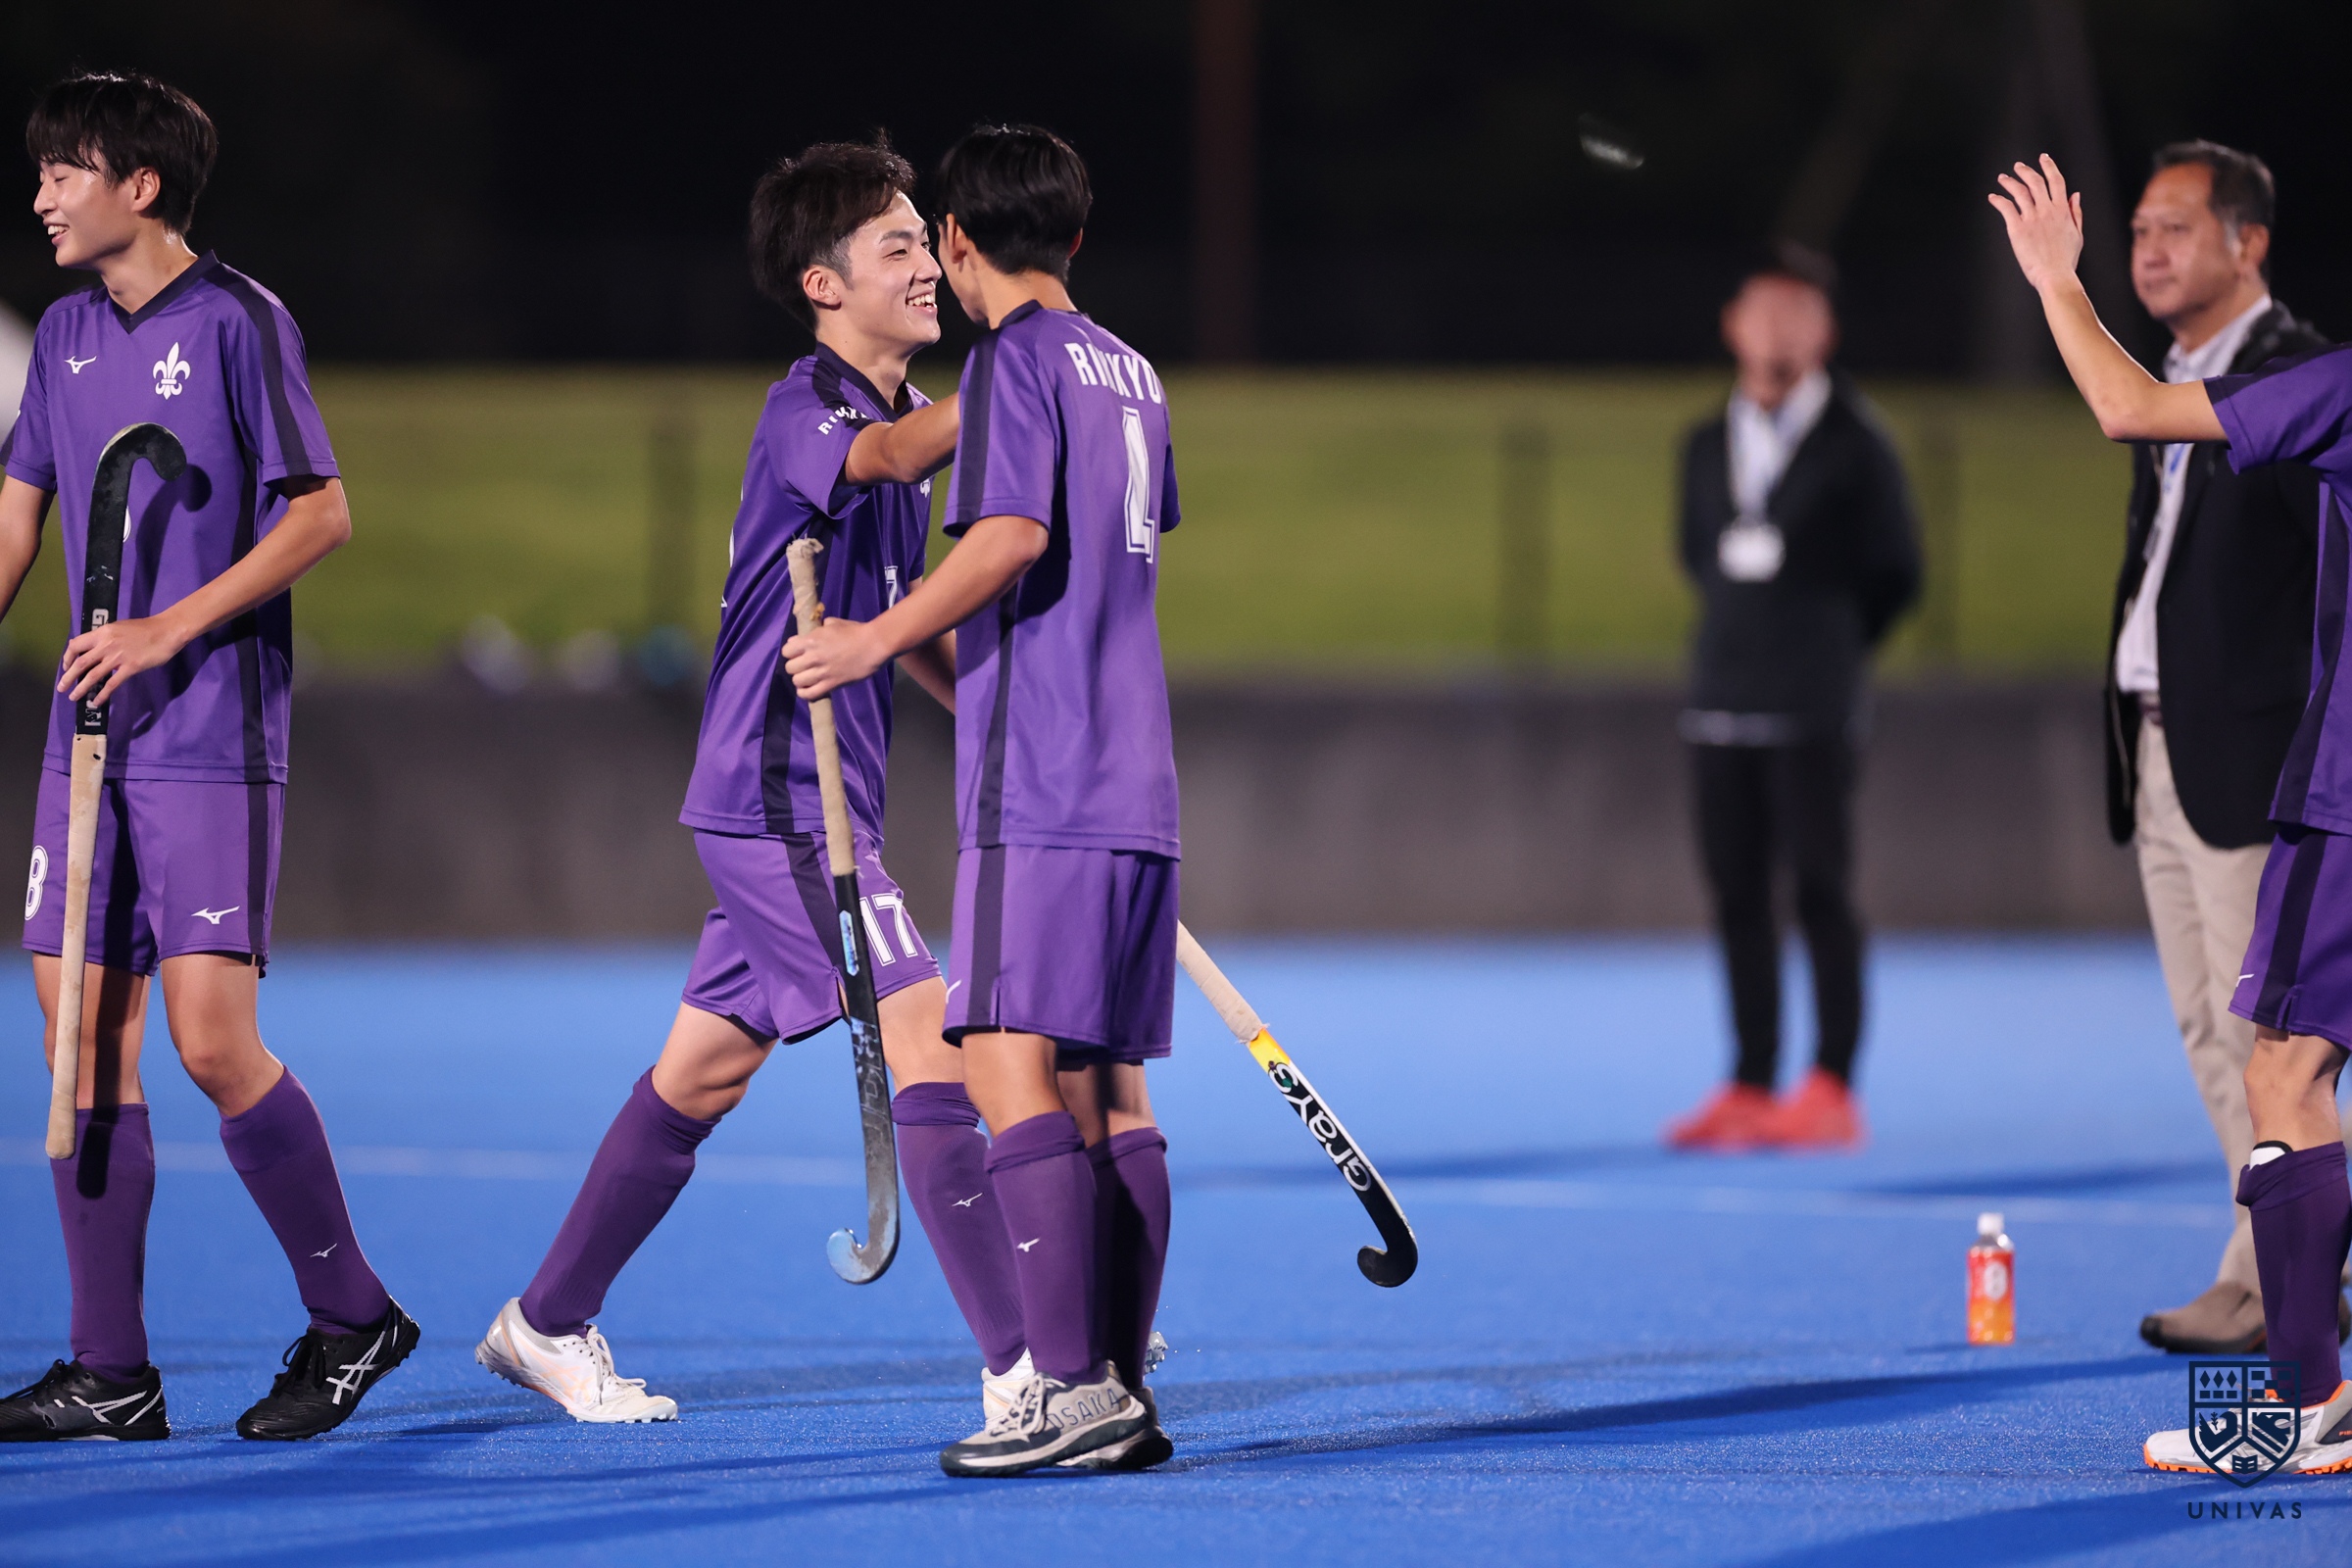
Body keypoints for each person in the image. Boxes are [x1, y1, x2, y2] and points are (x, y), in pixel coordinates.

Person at [471, 139, 1033, 1427]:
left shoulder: (895, 416)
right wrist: (1030, 365)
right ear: (823, 283)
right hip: (778, 800)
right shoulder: (811, 414)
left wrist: (999, 724)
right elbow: (893, 463)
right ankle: (1025, 1364)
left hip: (823, 803)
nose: (927, 266)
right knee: (929, 1035)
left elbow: (897, 614)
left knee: (700, 1079)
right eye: (898, 246)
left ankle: (543, 1322)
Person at [0, 72, 413, 1442]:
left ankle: (354, 1315)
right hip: (84, 740)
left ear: (141, 185)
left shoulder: (239, 320)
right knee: (78, 1041)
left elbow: (323, 513)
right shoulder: (63, 334)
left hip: (208, 735)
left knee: (212, 1043)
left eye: (65, 169)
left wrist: (166, 627)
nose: (42, 194)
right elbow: (16, 521)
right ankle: (109, 1372)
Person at [787, 123, 1175, 1476]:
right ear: (1076, 234)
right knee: (1108, 1092)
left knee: (1006, 1063)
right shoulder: (1131, 369)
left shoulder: (1011, 360)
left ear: (958, 244)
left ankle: (1066, 1387)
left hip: (1040, 778)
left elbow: (1011, 538)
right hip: (1136, 771)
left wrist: (871, 640)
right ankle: (1120, 1388)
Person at [1990, 153, 2352, 1475]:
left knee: (2283, 1071)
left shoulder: (2330, 380)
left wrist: (2054, 279)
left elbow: (2128, 406)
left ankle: (2310, 1398)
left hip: (2337, 789)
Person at [2102, 141, 2352, 1357]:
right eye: (2138, 230)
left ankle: (2289, 1305)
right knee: (2226, 1041)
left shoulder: (2301, 371)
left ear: (2249, 243)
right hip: (2162, 739)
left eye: (2176, 228)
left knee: (2278, 1056)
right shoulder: (2179, 365)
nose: (2148, 249)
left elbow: (2318, 574)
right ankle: (2272, 1282)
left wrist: (2049, 279)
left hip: (2272, 764)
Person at [1662, 260, 1922, 1153]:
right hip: (1720, 700)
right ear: (1732, 324)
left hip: (1811, 704)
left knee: (1820, 889)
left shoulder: (1858, 443)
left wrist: (1829, 646)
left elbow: (1897, 571)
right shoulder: (1706, 441)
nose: (1778, 329)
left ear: (1826, 332)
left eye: (1798, 312)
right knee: (1736, 893)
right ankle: (1748, 1078)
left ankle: (1831, 1083)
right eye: (1763, 310)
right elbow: (1696, 554)